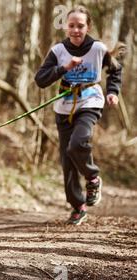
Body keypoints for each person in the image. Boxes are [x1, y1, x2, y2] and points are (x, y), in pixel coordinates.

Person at [35, 6, 122, 225]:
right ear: (65, 27)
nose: (76, 30)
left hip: (90, 101)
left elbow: (115, 70)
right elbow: (41, 79)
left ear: (88, 27)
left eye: (80, 26)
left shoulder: (98, 49)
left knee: (78, 143)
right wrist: (64, 67)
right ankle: (78, 207)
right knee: (67, 159)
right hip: (63, 107)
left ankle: (92, 177)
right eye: (71, 25)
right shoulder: (58, 51)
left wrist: (112, 92)